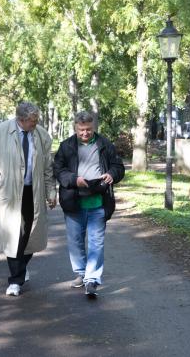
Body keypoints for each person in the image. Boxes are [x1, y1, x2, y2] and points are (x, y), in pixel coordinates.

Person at [0, 102, 56, 297]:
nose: (36, 124)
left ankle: (21, 267)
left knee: (31, 234)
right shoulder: (0, 132)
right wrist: (2, 184)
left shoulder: (41, 135)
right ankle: (15, 280)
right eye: (32, 122)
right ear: (20, 120)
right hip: (9, 195)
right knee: (14, 235)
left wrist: (51, 192)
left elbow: (48, 168)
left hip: (34, 192)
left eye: (37, 120)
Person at [53, 111, 125, 298]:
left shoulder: (105, 145)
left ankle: (92, 279)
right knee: (75, 241)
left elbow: (118, 167)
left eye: (89, 129)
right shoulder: (66, 146)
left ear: (94, 127)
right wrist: (73, 180)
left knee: (96, 243)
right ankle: (81, 273)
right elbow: (58, 170)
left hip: (98, 202)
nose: (85, 133)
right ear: (75, 127)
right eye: (81, 129)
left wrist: (112, 174)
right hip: (73, 200)